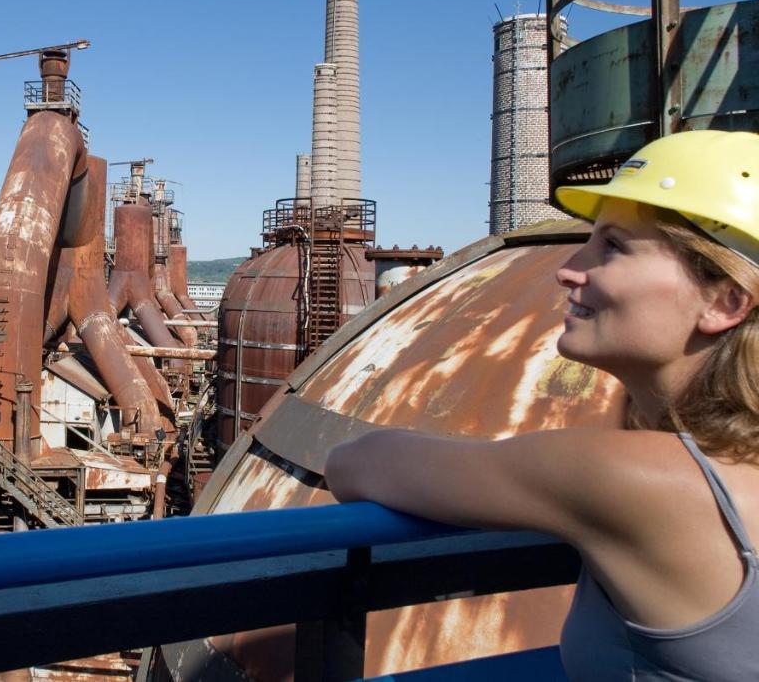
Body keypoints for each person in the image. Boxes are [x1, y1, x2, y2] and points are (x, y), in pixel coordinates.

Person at [324, 129, 759, 681]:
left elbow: (355, 463)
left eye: (613, 245)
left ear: (725, 300)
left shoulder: (629, 478)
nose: (568, 268)